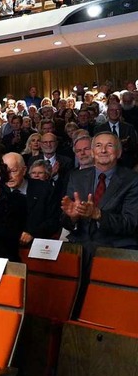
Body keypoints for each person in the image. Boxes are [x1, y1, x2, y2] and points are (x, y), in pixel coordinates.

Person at [61, 132, 138, 314]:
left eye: (109, 146)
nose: (103, 150)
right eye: (98, 146)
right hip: (80, 248)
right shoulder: (76, 177)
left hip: (115, 250)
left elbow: (131, 223)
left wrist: (98, 214)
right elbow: (66, 221)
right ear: (92, 152)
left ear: (118, 153)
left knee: (106, 310)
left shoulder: (132, 180)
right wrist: (72, 216)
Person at [3, 153, 60, 245]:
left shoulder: (45, 189)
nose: (9, 176)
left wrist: (33, 233)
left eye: (13, 171)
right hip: (5, 247)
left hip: (38, 245)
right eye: (5, 172)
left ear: (24, 170)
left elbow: (54, 220)